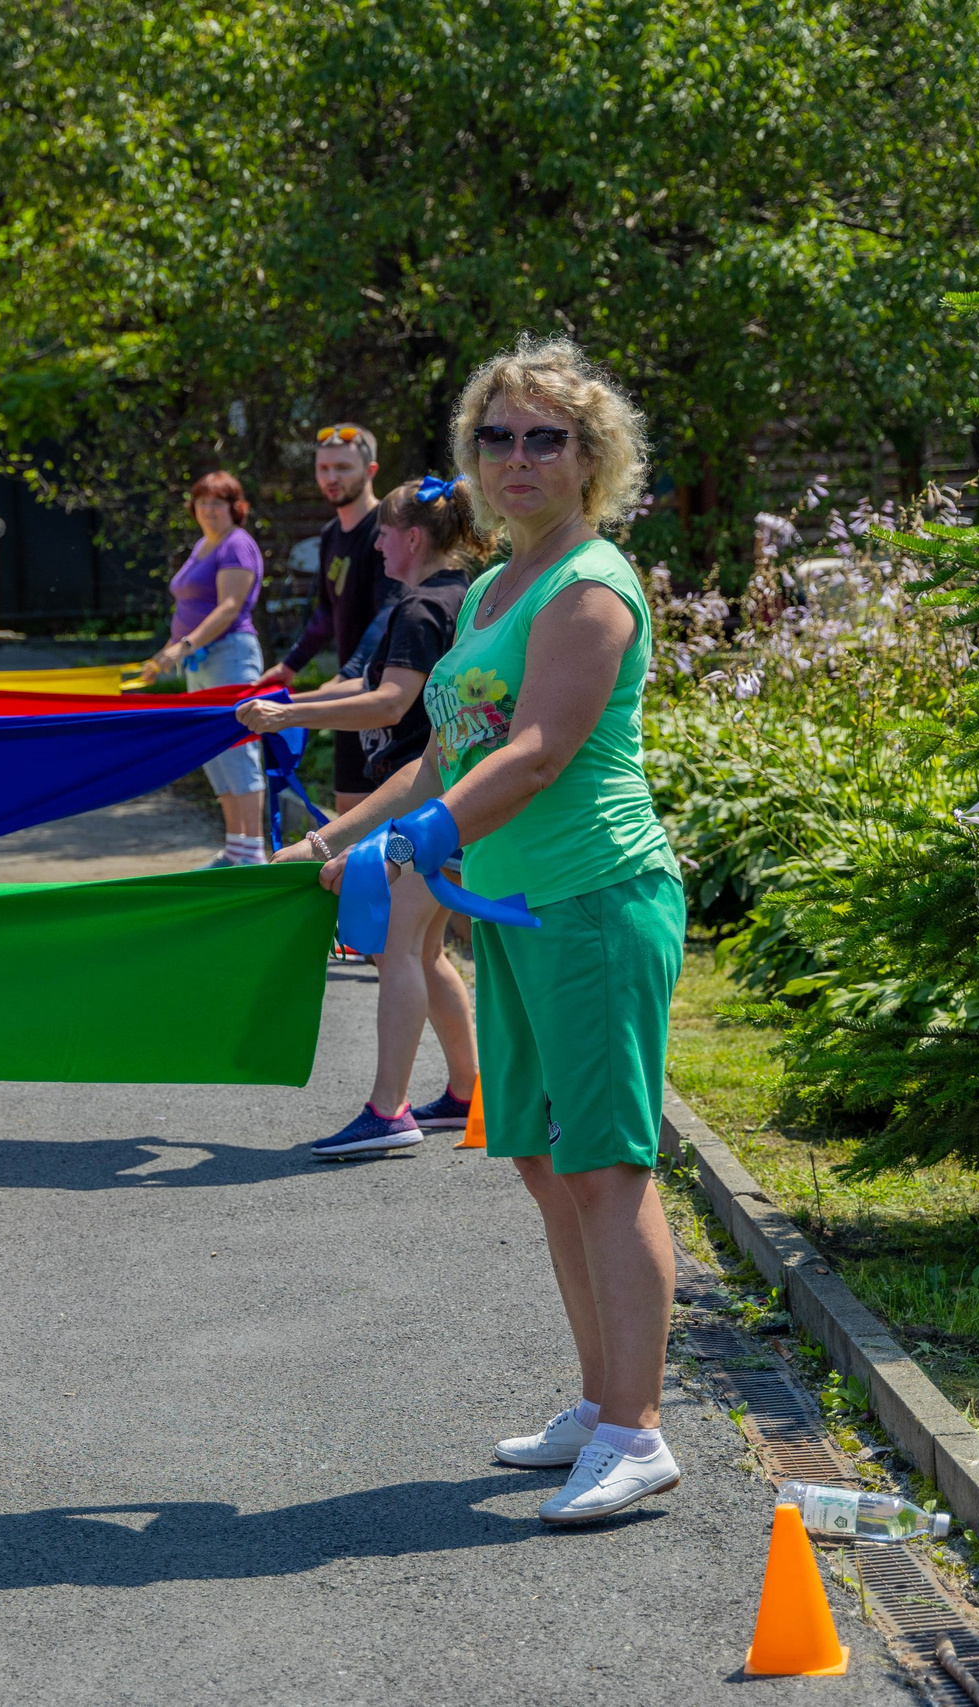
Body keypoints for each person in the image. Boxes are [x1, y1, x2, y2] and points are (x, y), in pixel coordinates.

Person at [283, 337, 686, 1525]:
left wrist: (416, 844)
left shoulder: (589, 584)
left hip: (593, 900)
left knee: (607, 1165)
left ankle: (638, 1430)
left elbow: (538, 751)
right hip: (509, 908)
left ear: (589, 456)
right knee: (540, 1158)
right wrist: (333, 837)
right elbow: (442, 751)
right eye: (496, 437)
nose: (518, 458)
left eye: (544, 438)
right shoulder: (500, 587)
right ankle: (598, 1399)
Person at [239, 476, 481, 1157]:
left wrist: (291, 714)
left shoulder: (419, 608)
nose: (372, 543)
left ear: (410, 538)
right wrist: (293, 702)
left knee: (395, 948)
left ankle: (389, 1109)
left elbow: (388, 703)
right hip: (446, 803)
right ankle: (465, 1093)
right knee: (426, 951)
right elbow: (370, 686)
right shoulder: (461, 597)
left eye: (382, 533)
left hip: (420, 803)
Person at [260, 423, 393, 813]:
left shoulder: (388, 531)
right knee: (349, 807)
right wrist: (289, 667)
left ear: (370, 471)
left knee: (393, 822)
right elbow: (325, 611)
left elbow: (390, 612)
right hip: (349, 692)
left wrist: (351, 672)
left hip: (390, 692)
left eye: (342, 468)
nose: (330, 478)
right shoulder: (331, 533)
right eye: (323, 469)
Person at [138, 471, 268, 866]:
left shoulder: (236, 545)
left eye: (218, 503)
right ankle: (235, 847)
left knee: (238, 747)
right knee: (215, 751)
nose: (209, 510)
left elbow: (228, 607)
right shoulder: (203, 545)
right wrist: (166, 654)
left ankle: (254, 851)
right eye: (202, 502)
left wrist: (185, 646)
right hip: (201, 661)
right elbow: (189, 611)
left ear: (235, 508)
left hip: (229, 655)